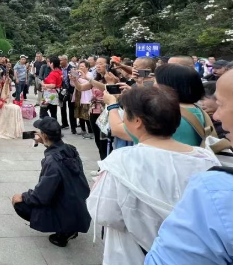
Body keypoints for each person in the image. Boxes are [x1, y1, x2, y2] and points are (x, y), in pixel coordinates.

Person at [87, 85, 221, 265]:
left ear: (137, 121)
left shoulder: (121, 162)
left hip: (134, 255)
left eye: (125, 113)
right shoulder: (207, 159)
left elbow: (104, 214)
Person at [145, 69, 233, 265]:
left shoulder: (212, 191)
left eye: (220, 104)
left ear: (170, 88)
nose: (217, 116)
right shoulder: (197, 110)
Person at [11, 117, 91, 247]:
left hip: (66, 208)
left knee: (20, 204)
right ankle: (71, 226)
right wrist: (44, 141)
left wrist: (23, 196)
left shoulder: (53, 161)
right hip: (79, 207)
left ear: (44, 135)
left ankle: (64, 232)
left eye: (40, 132)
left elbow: (41, 195)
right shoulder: (71, 149)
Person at [0, 57, 24, 139]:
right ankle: (5, 128)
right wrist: (4, 100)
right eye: (3, 76)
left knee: (17, 108)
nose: (4, 77)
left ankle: (13, 130)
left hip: (2, 102)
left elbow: (8, 80)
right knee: (14, 108)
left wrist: (8, 79)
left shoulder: (2, 82)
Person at [69, 60, 93, 137]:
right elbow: (73, 84)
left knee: (86, 114)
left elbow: (86, 83)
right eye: (80, 66)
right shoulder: (78, 74)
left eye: (82, 66)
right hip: (78, 95)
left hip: (86, 97)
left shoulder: (90, 75)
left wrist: (77, 79)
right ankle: (83, 130)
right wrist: (72, 79)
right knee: (79, 113)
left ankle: (90, 131)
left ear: (87, 67)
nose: (81, 68)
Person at [39, 56, 63, 120]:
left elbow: (53, 85)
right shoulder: (59, 71)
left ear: (52, 63)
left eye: (49, 62)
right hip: (55, 94)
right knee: (53, 113)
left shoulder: (53, 73)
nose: (48, 63)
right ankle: (53, 124)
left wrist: (43, 85)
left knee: (42, 112)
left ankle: (47, 123)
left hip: (49, 95)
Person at [59, 55, 74, 130]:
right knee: (62, 107)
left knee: (71, 109)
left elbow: (76, 80)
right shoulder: (59, 69)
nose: (60, 62)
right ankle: (64, 124)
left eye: (61, 60)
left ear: (66, 60)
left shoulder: (72, 68)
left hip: (71, 91)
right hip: (62, 91)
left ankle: (73, 126)